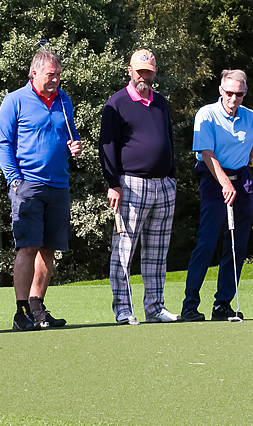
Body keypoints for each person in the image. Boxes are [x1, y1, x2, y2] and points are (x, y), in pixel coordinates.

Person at [0, 49, 82, 331]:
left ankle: (37, 309)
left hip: (59, 184)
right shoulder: (15, 100)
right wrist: (14, 180)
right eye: (50, 75)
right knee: (28, 247)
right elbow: (2, 142)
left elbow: (70, 135)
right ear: (34, 73)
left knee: (48, 248)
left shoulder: (64, 100)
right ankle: (21, 313)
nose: (55, 80)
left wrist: (75, 146)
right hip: (28, 185)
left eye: (58, 75)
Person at [182, 69, 253, 322]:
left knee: (236, 244)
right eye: (229, 93)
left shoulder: (248, 116)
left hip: (241, 179)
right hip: (213, 179)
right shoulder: (207, 114)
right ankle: (190, 305)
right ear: (221, 91)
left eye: (239, 94)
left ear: (244, 94)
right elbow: (206, 153)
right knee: (207, 241)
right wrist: (224, 183)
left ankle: (223, 304)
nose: (233, 99)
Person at [98, 49, 178, 325]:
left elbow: (168, 139)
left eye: (148, 72)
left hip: (163, 185)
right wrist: (113, 183)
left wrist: (171, 175)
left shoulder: (161, 103)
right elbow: (107, 146)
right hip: (130, 184)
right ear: (130, 71)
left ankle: (155, 308)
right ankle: (123, 309)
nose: (144, 77)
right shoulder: (117, 103)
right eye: (140, 71)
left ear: (154, 73)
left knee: (157, 252)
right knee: (124, 250)